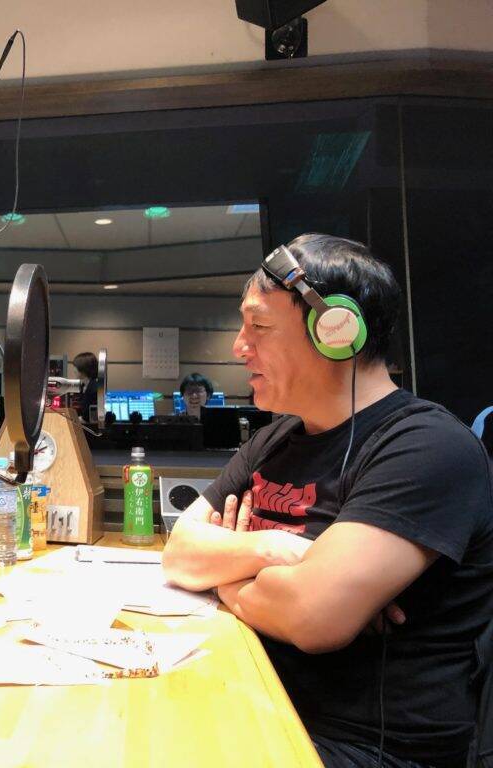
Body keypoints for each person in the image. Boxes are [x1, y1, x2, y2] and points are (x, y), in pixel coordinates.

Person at [162, 234, 493, 768]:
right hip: (259, 706)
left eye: (259, 327)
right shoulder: (274, 440)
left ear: (335, 331)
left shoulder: (428, 448)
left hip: (360, 750)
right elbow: (179, 553)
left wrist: (223, 573)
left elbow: (311, 616)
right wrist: (275, 551)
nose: (239, 347)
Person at [71, 351, 98, 422]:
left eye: (75, 367)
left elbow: (92, 418)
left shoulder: (94, 389)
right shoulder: (82, 386)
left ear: (84, 368)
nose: (74, 370)